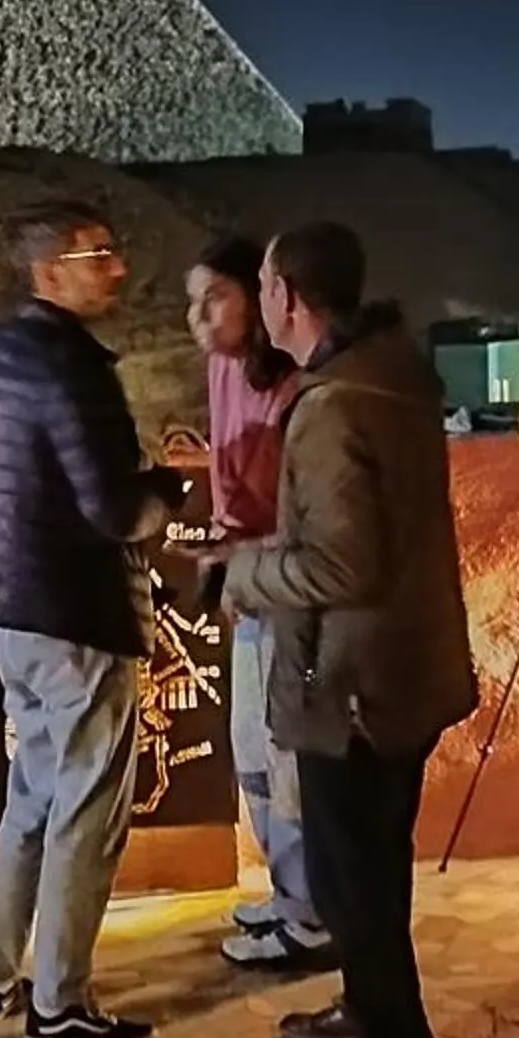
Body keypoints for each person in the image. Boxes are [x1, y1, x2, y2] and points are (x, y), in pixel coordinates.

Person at [0, 201, 187, 1038]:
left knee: (33, 792)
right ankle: (61, 1001)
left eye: (113, 250)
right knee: (88, 807)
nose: (116, 269)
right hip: (77, 614)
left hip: (9, 617)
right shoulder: (72, 369)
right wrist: (173, 486)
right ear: (47, 272)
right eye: (96, 255)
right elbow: (111, 507)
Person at [217, 223, 477, 1038]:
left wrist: (238, 571)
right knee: (370, 865)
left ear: (289, 296)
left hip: (357, 681)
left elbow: (342, 566)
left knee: (349, 875)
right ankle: (369, 1007)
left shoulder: (334, 403)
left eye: (260, 283)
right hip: (402, 666)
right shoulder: (390, 374)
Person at [184, 238, 333, 973]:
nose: (199, 316)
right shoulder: (221, 368)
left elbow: (304, 510)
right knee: (250, 747)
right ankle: (287, 891)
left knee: (284, 756)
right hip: (247, 586)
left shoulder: (300, 384)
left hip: (284, 589)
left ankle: (310, 916)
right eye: (193, 301)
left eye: (215, 296)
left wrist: (244, 559)